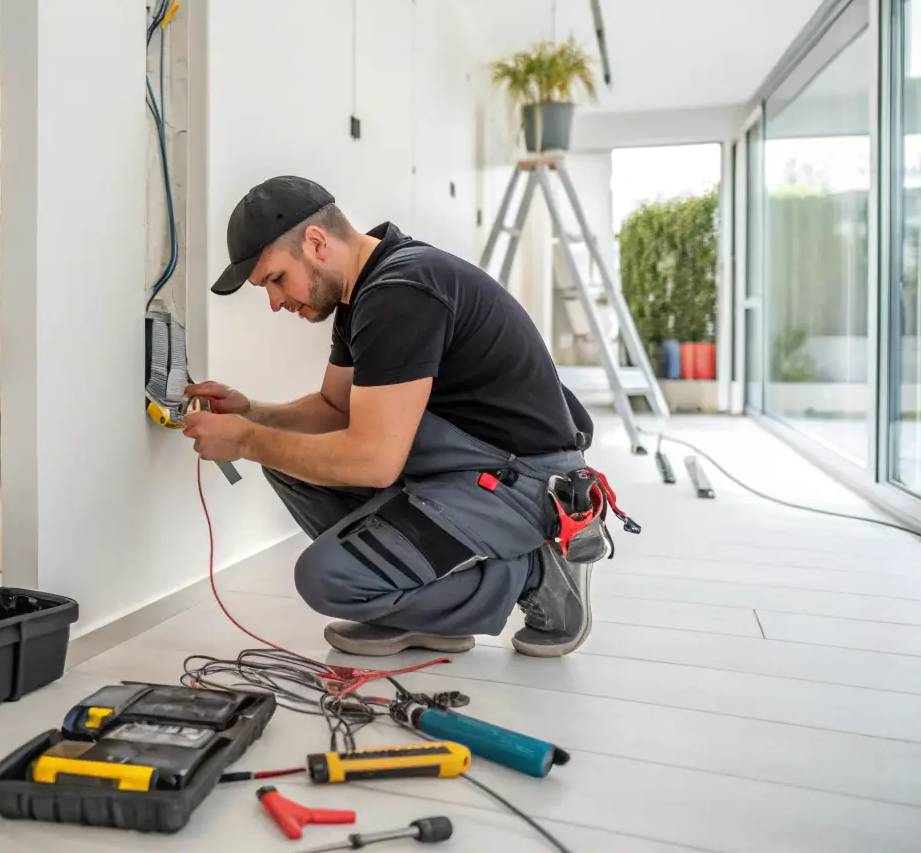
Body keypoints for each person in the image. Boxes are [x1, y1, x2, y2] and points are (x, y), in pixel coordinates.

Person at [183, 175, 634, 659]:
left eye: (275, 279)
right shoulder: (366, 291)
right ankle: (420, 608)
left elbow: (373, 461)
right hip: (467, 468)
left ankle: (533, 575)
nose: (275, 302)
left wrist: (248, 440)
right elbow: (337, 410)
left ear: (315, 243)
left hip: (523, 482)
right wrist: (254, 414)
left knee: (325, 580)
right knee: (288, 460)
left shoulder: (402, 291)